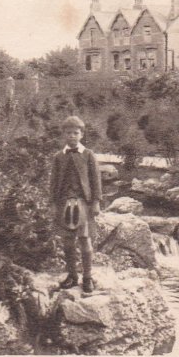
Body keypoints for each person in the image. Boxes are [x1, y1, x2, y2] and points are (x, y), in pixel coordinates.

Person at [49, 116, 102, 293]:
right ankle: (72, 275)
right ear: (63, 134)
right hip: (64, 204)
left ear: (81, 134)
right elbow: (54, 182)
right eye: (68, 133)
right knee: (67, 242)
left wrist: (95, 202)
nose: (72, 136)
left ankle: (87, 277)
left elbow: (96, 180)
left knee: (85, 241)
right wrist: (54, 204)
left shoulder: (88, 155)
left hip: (83, 205)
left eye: (75, 133)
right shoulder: (58, 157)